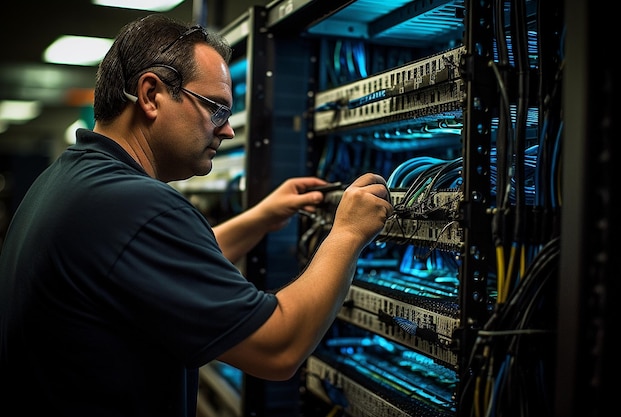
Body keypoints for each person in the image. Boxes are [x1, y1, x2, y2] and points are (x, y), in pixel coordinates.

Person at [0, 14, 392, 416]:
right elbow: (279, 347)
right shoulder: (135, 205)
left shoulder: (74, 180)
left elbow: (160, 266)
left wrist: (261, 216)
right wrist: (346, 233)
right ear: (151, 94)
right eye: (216, 109)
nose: (228, 131)